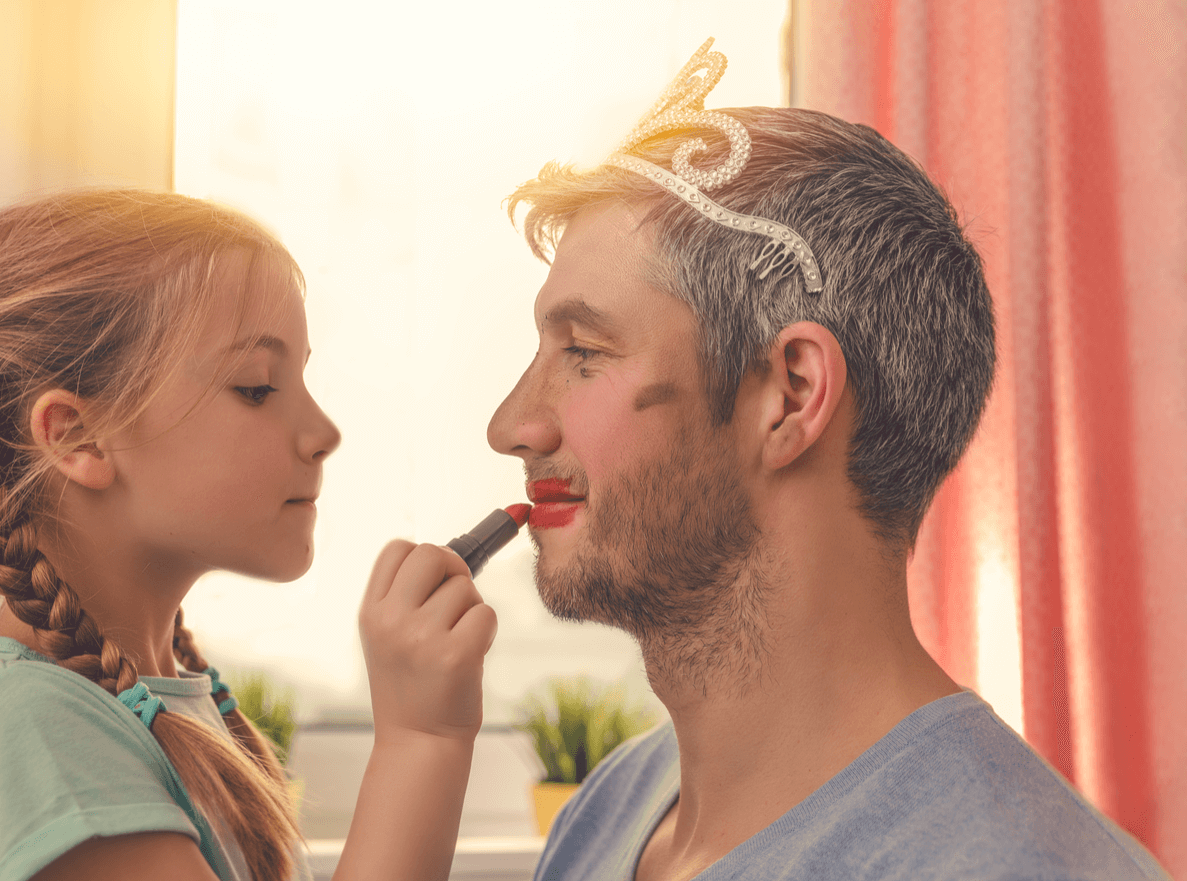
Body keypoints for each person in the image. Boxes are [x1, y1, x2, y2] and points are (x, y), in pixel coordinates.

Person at [488, 40, 1171, 881]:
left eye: (584, 352)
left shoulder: (1014, 868)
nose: (511, 425)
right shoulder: (606, 812)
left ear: (792, 393)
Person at [0, 189, 496, 881]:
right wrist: (419, 740)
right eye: (256, 387)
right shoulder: (35, 731)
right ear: (77, 437)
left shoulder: (156, 701)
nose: (323, 433)